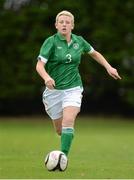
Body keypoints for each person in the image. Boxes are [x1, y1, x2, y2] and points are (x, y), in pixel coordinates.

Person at [36, 10, 121, 156]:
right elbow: (39, 65)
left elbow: (94, 53)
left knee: (68, 121)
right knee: (60, 130)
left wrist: (108, 67)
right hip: (54, 92)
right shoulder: (50, 42)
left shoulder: (79, 41)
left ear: (72, 26)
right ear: (56, 25)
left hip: (73, 88)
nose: (64, 24)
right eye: (61, 22)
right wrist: (47, 78)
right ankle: (65, 142)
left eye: (67, 22)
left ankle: (63, 156)